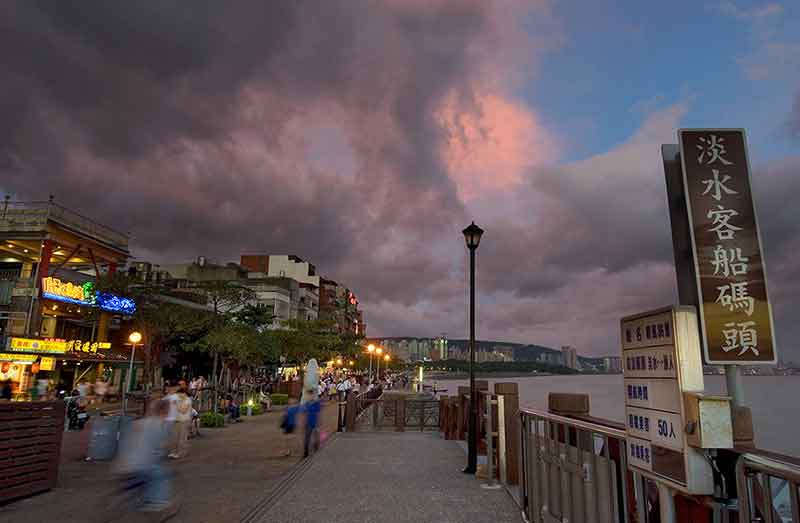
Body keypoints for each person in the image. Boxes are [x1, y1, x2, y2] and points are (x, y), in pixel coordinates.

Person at [114, 399, 174, 513]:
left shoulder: (138, 423)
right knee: (161, 475)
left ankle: (140, 496)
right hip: (141, 465)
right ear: (164, 412)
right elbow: (159, 448)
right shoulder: (159, 425)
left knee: (144, 476)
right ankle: (158, 502)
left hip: (123, 463)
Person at [165, 383, 192, 459]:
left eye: (179, 394)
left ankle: (181, 453)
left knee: (182, 438)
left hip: (184, 421)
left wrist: (176, 404)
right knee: (175, 437)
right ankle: (173, 452)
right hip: (176, 420)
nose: (178, 396)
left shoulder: (187, 400)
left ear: (184, 394)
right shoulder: (178, 399)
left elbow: (183, 410)